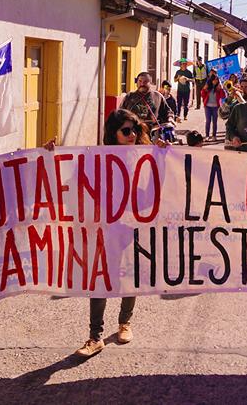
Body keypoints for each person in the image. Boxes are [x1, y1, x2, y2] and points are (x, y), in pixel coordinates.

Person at [77, 109, 168, 358]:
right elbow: (79, 180)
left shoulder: (144, 157)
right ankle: (95, 336)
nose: (132, 135)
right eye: (126, 131)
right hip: (106, 226)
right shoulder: (100, 158)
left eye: (135, 131)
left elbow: (153, 191)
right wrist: (49, 156)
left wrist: (160, 157)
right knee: (101, 278)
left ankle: (124, 323)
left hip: (134, 224)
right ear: (113, 133)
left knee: (130, 275)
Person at [200, 74, 226, 142]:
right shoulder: (208, 86)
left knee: (215, 122)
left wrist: (221, 89)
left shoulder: (218, 88)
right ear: (211, 80)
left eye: (217, 80)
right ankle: (207, 136)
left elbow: (223, 96)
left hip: (216, 107)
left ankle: (214, 135)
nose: (215, 81)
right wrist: (204, 89)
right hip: (207, 106)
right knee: (208, 121)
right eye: (214, 79)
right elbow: (202, 95)